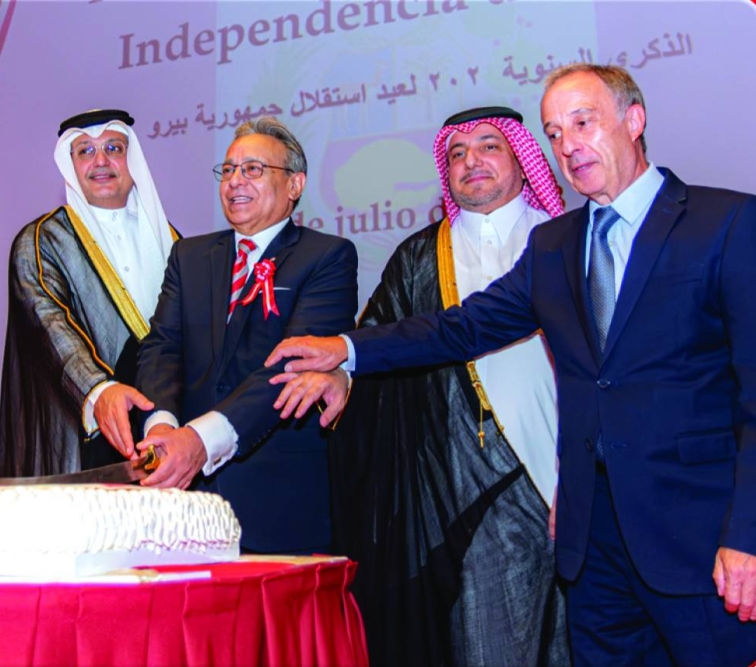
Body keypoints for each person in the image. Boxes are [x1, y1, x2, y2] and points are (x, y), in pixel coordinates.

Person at [268, 64, 756, 665]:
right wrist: (346, 349)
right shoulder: (556, 245)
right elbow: (463, 326)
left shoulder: (726, 223)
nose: (568, 145)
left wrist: (748, 535)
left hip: (698, 540)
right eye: (554, 133)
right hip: (594, 546)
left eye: (583, 123)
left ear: (634, 120)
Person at [310, 106, 569, 666]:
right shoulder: (422, 255)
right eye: (457, 153)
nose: (471, 161)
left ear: (524, 160)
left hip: (576, 472)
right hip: (473, 484)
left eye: (489, 146)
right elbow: (378, 335)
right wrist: (340, 372)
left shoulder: (566, 241)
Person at [134, 117, 358, 554]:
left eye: (253, 169)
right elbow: (162, 347)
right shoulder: (189, 255)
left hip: (277, 498)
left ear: (294, 184)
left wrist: (200, 440)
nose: (235, 181)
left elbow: (293, 366)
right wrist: (163, 428)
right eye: (228, 170)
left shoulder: (327, 257)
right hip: (184, 496)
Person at [0, 109, 177, 477]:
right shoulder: (43, 240)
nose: (101, 161)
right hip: (81, 439)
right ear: (71, 165)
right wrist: (98, 390)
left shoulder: (171, 242)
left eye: (113, 148)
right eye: (85, 151)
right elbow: (49, 326)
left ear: (132, 159)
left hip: (165, 434)